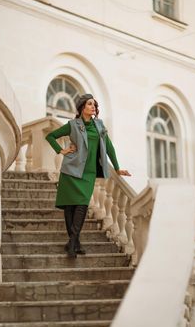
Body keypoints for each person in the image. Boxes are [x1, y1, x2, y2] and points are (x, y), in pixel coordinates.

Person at [45, 93, 131, 258]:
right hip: (71, 170)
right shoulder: (72, 125)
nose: (93, 107)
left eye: (94, 104)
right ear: (82, 107)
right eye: (90, 104)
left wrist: (118, 168)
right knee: (70, 207)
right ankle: (74, 243)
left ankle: (72, 241)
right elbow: (51, 136)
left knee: (82, 205)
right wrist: (62, 150)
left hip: (88, 173)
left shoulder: (99, 126)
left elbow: (109, 147)